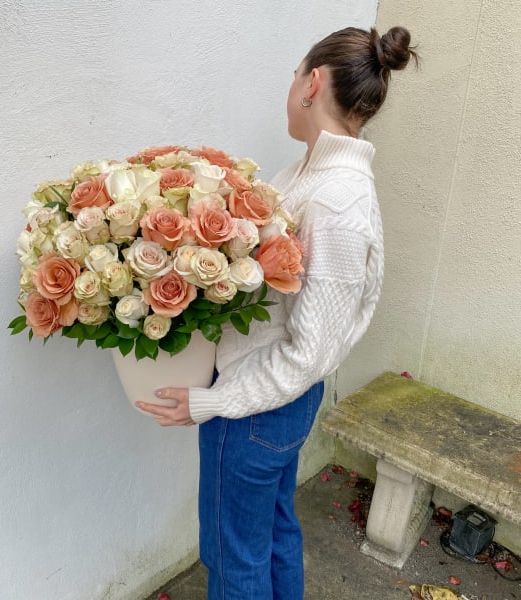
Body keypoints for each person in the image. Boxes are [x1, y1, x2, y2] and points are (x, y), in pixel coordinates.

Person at [137, 25, 418, 600]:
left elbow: (311, 352)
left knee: (233, 556)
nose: (289, 88)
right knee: (271, 532)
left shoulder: (337, 201)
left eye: (294, 76)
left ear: (312, 83)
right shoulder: (306, 175)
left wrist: (211, 402)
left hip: (256, 407)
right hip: (272, 402)